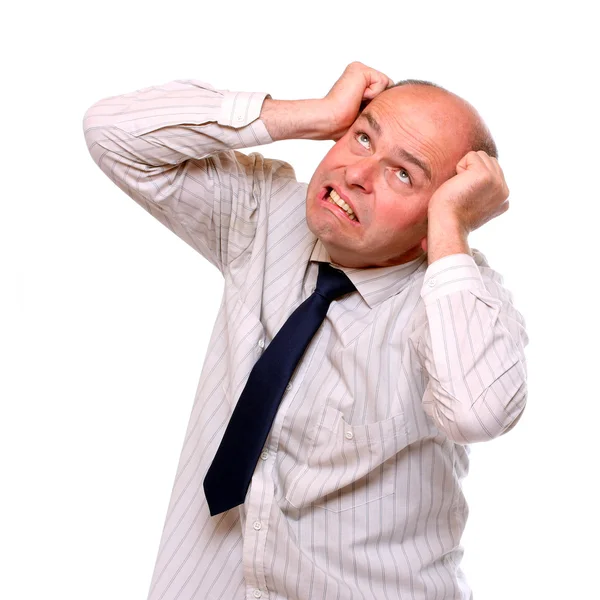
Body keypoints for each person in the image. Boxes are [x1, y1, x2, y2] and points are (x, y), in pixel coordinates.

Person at [83, 62, 528, 600]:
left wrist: (451, 230)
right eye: (363, 137)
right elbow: (111, 132)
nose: (357, 174)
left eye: (403, 174)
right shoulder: (263, 214)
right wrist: (312, 115)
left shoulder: (458, 299)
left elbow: (477, 411)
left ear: (434, 220)